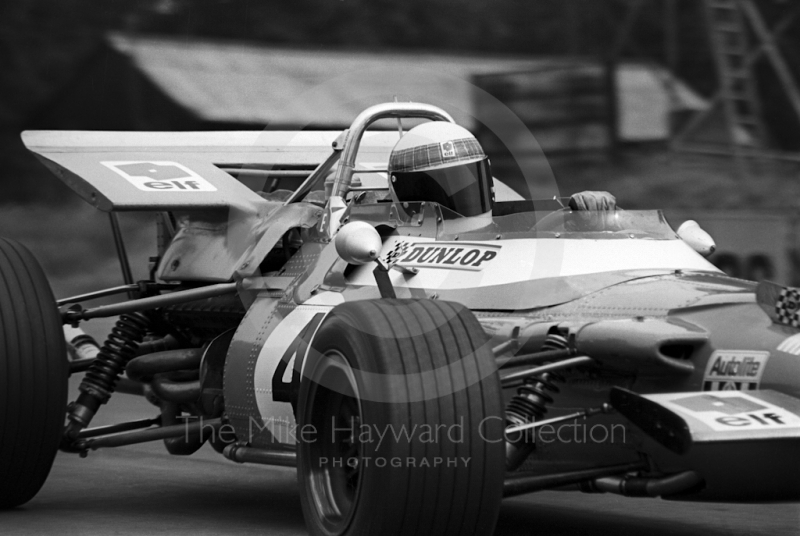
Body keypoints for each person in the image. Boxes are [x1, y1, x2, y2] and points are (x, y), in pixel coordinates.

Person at [386, 121, 615, 232]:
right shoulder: (383, 244)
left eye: (463, 182)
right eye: (435, 188)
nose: (456, 197)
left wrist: (597, 212)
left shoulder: (512, 228)